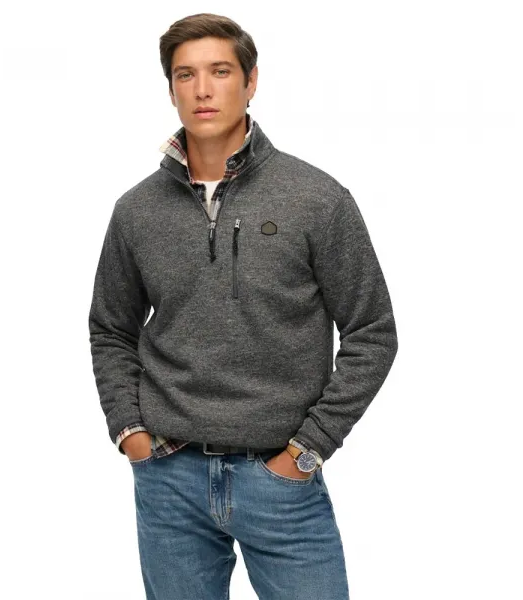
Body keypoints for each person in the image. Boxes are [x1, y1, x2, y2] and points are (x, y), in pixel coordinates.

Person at [88, 12, 398, 600]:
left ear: (251, 81)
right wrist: (130, 431)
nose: (203, 89)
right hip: (168, 477)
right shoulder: (136, 210)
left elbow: (373, 332)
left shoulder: (317, 198)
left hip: (281, 480)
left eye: (221, 71)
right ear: (171, 89)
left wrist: (308, 450)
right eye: (186, 75)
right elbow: (110, 328)